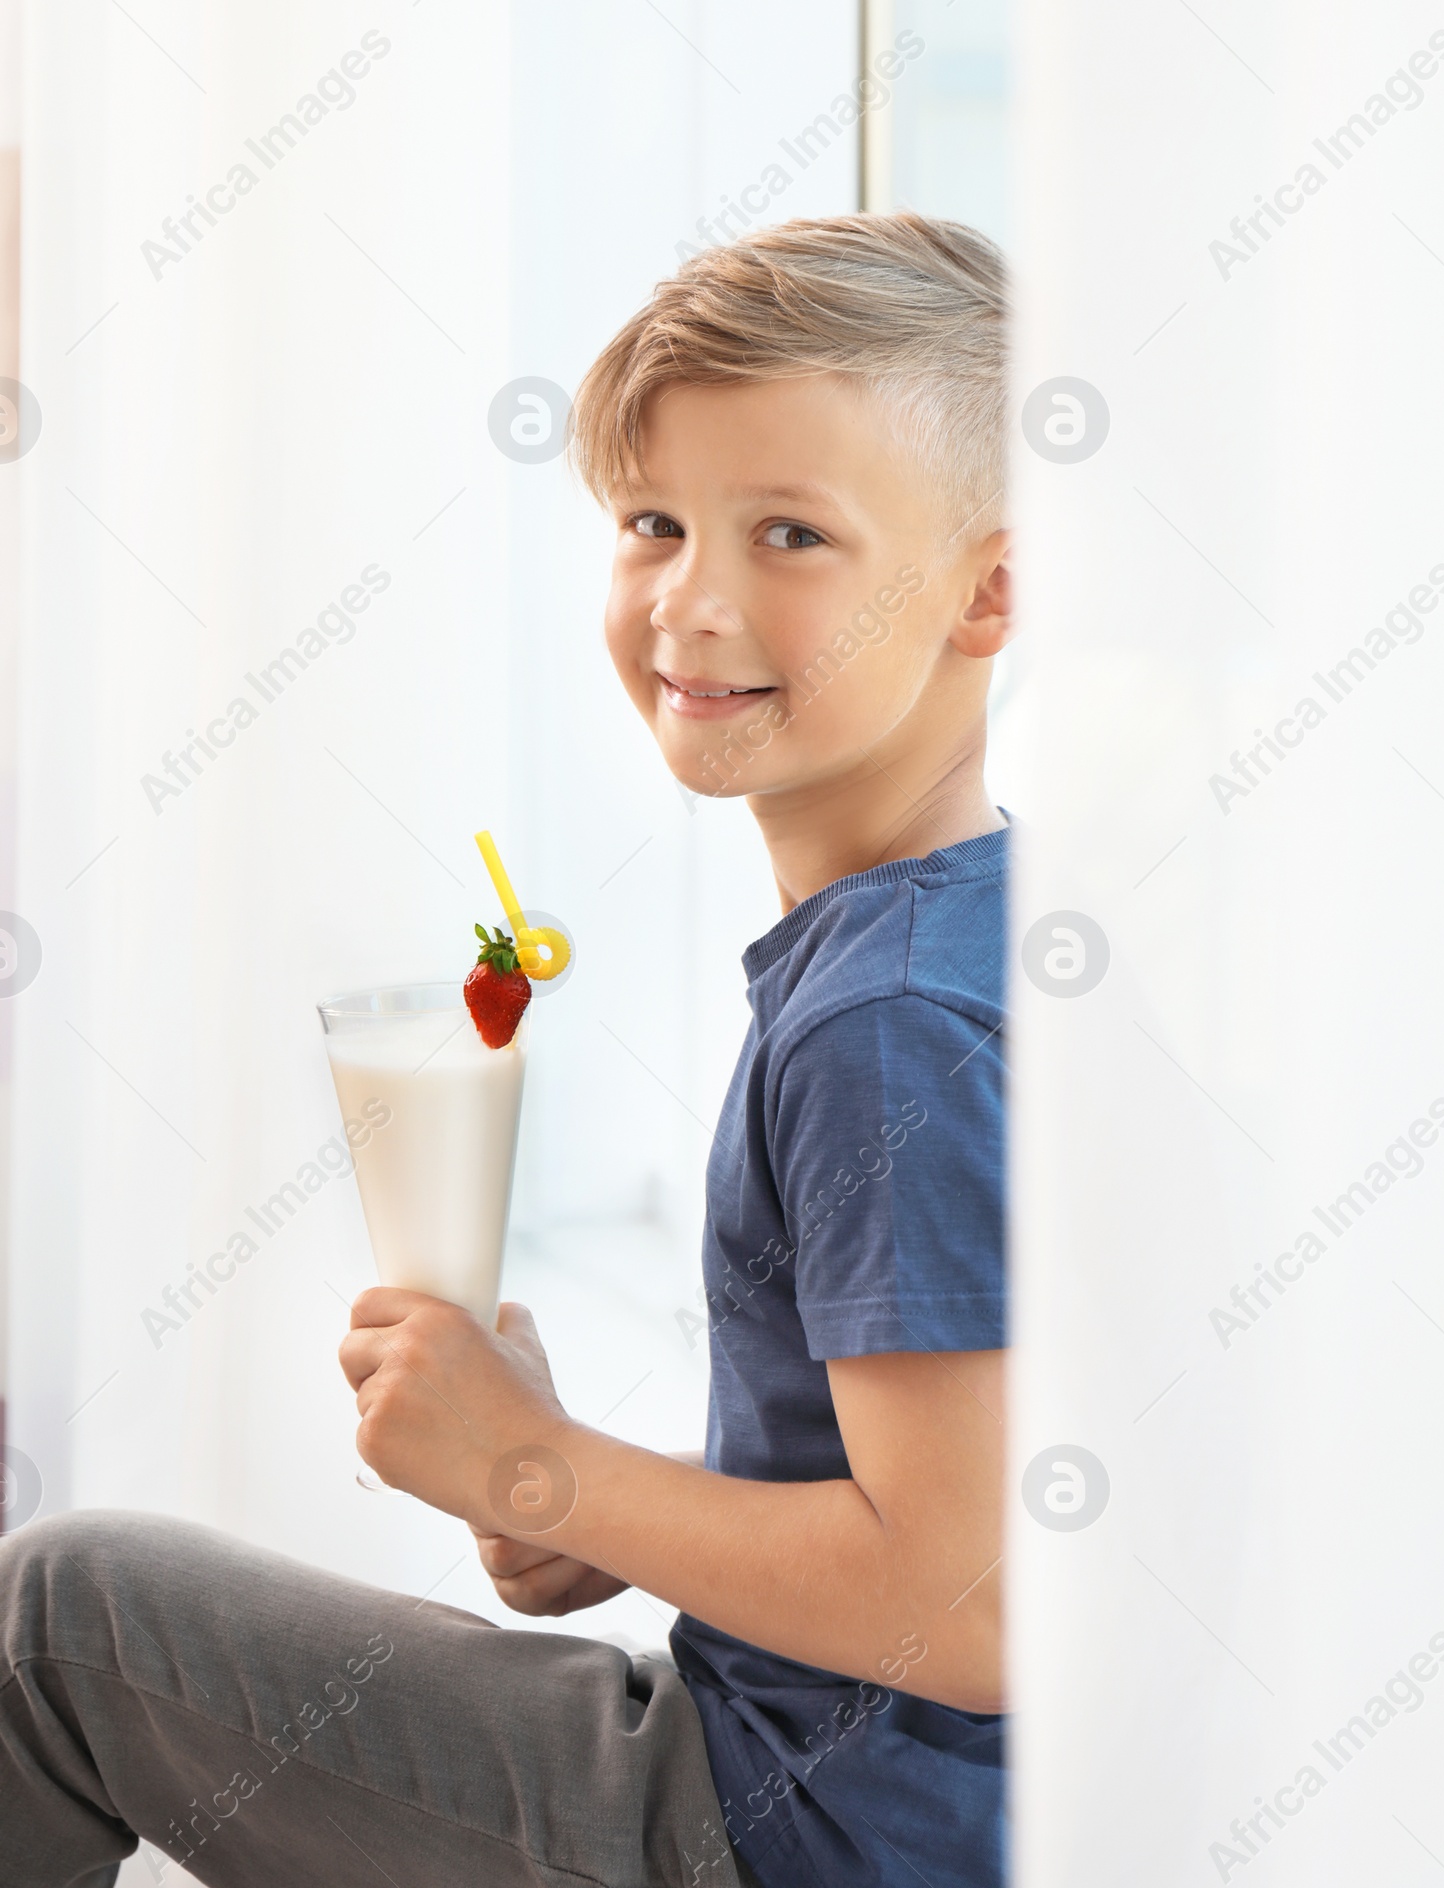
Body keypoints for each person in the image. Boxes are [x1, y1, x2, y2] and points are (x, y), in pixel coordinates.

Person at [0, 213, 1011, 1887]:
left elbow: (964, 1608)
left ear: (991, 589)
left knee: (55, 1623)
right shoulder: (970, 931)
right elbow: (952, 1491)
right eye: (654, 522)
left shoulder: (883, 1023)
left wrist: (545, 1467)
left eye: (790, 533)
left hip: (782, 1838)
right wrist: (572, 1503)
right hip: (841, 1789)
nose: (691, 600)